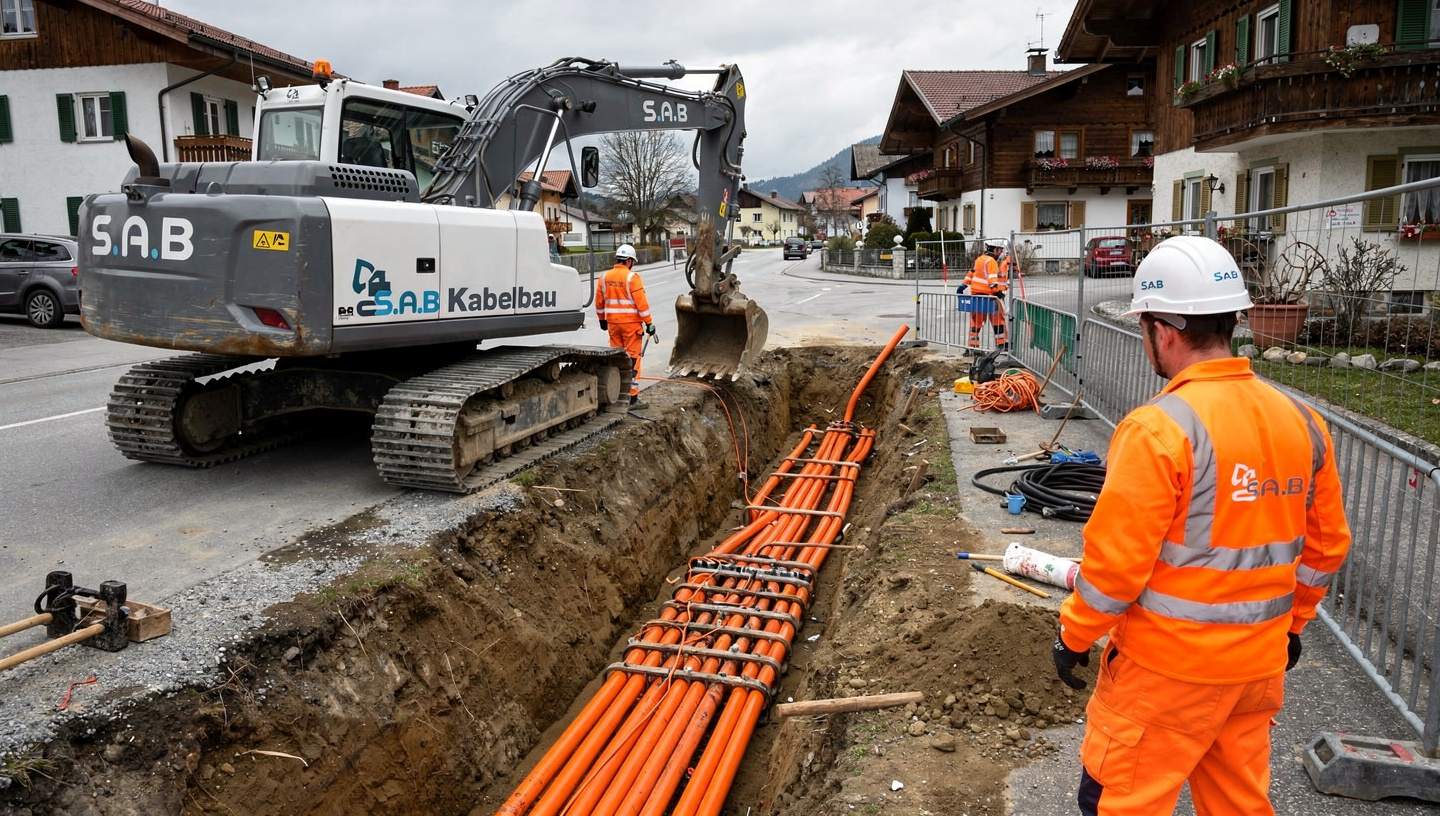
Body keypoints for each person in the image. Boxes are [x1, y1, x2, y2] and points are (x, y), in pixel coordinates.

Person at [1051, 236, 1352, 816]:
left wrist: (1074, 635)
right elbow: (1327, 546)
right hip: (1256, 668)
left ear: (1162, 331)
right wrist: (1293, 623)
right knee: (1238, 805)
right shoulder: (1302, 421)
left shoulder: (1159, 429)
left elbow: (1115, 569)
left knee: (1122, 802)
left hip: (1166, 675)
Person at [594, 244, 656, 409]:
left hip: (613, 325)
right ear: (629, 261)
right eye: (633, 262)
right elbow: (641, 304)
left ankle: (616, 394)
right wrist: (649, 324)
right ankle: (632, 399)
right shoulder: (632, 278)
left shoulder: (604, 277)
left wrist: (602, 320)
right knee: (633, 360)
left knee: (616, 359)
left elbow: (599, 302)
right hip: (631, 327)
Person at [959, 238, 1009, 350]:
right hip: (989, 296)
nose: (1001, 252)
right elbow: (992, 281)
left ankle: (973, 346)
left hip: (976, 295)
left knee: (976, 321)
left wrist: (963, 285)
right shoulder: (991, 262)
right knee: (998, 320)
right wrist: (998, 293)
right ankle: (1001, 344)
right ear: (995, 250)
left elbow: (971, 273)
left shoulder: (980, 259)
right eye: (1000, 250)